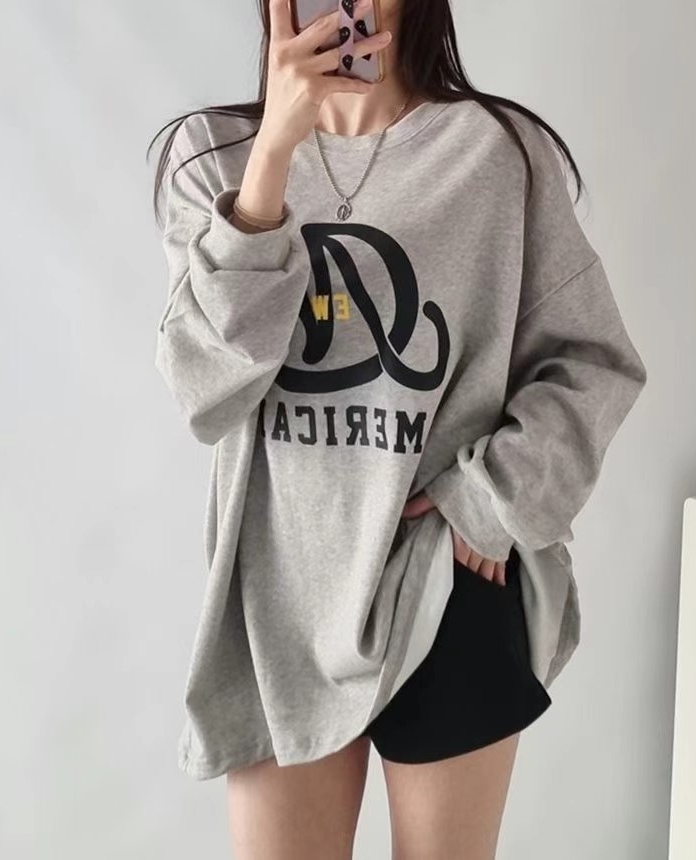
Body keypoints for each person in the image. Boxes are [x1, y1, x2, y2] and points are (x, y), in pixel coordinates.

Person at [147, 0, 648, 856]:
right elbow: (206, 392)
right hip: (278, 604)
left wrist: (491, 501)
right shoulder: (215, 158)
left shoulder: (495, 153)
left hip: (447, 586)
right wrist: (271, 165)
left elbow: (593, 362)